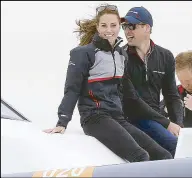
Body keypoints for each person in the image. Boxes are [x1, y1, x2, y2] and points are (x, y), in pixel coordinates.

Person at [43, 4, 173, 162]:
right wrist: (62, 122)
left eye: (113, 25)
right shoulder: (83, 54)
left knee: (164, 155)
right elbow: (72, 90)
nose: (108, 30)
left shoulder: (121, 55)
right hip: (94, 118)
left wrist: (164, 122)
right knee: (140, 156)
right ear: (97, 27)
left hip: (118, 117)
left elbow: (130, 95)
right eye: (104, 25)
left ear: (119, 27)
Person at [120, 6, 183, 158]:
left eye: (132, 26)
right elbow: (131, 101)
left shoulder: (165, 56)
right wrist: (167, 124)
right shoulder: (120, 57)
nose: (127, 31)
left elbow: (172, 95)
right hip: (132, 118)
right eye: (125, 26)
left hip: (156, 119)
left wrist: (179, 126)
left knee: (182, 143)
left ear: (147, 28)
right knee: (174, 146)